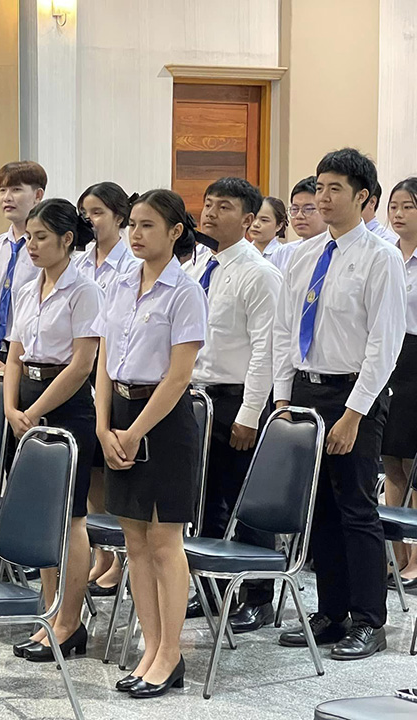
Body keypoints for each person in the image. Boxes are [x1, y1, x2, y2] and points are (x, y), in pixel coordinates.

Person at [274, 148, 406, 660]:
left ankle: (369, 620)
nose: (323, 198)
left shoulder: (380, 257)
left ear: (362, 196)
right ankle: (331, 612)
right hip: (306, 390)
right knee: (319, 508)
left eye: (335, 189)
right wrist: (283, 398)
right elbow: (285, 330)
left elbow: (384, 344)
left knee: (356, 507)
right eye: (319, 187)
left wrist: (354, 414)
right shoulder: (303, 255)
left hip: (354, 394)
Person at [94, 189, 207, 699]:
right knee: (134, 544)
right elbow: (104, 360)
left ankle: (171, 653)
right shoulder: (119, 283)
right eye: (133, 225)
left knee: (164, 542)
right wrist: (103, 427)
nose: (136, 235)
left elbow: (179, 375)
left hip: (161, 424)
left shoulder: (185, 291)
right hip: (118, 415)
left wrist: (135, 431)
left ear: (175, 232)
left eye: (147, 226)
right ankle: (150, 646)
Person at [182, 178, 282, 633]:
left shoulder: (259, 273)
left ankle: (258, 596)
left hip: (237, 399)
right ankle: (210, 590)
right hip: (199, 397)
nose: (210, 213)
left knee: (247, 502)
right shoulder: (202, 266)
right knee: (205, 500)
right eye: (208, 204)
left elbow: (266, 350)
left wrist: (249, 413)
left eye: (223, 206)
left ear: (247, 220)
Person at [5, 199, 98, 663]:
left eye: (41, 237)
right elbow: (14, 355)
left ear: (67, 239)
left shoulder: (85, 291)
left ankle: (70, 621)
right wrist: (12, 407)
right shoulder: (27, 290)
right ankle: (48, 613)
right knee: (43, 515)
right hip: (27, 402)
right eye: (29, 237)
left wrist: (36, 410)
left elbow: (82, 364)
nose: (32, 245)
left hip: (67, 407)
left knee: (71, 517)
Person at [74, 182, 141, 597]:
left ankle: (120, 558)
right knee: (92, 473)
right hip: (81, 373)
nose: (90, 221)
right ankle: (101, 553)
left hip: (114, 372)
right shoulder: (79, 261)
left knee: (113, 473)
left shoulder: (131, 264)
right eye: (85, 213)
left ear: (119, 217)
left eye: (98, 212)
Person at [0, 161, 47, 370]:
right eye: (2, 190)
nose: (7, 197)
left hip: (30, 353)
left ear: (38, 195)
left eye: (16, 190)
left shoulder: (46, 250)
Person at [380, 177, 417, 584]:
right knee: (391, 457)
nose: (399, 214)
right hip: (390, 356)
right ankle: (396, 555)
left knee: (414, 461)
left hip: (416, 359)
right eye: (394, 206)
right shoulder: (386, 255)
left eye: (408, 206)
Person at [274, 176, 329, 270]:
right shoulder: (283, 253)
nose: (299, 216)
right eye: (294, 209)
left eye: (308, 209)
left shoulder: (333, 251)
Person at [247, 196, 290, 272]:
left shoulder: (284, 256)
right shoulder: (242, 252)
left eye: (264, 220)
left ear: (279, 225)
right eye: (253, 218)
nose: (256, 224)